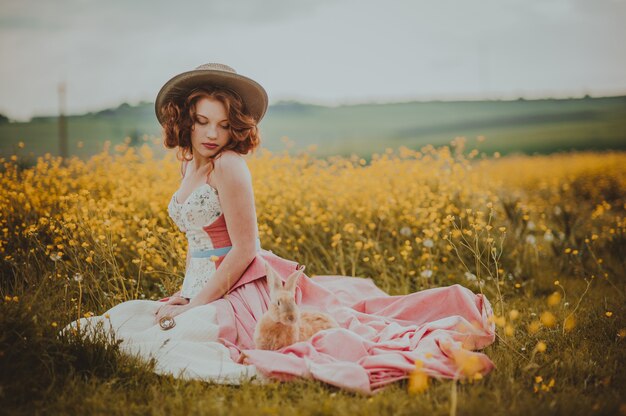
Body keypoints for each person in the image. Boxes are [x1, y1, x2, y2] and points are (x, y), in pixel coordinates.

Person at [64, 63, 496, 395]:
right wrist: (185, 294)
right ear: (185, 120)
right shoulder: (188, 164)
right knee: (117, 326)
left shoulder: (230, 166)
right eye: (202, 121)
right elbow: (201, 245)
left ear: (236, 125)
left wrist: (196, 303)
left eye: (223, 123)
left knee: (174, 342)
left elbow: (244, 250)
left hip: (237, 288)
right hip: (205, 285)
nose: (212, 133)